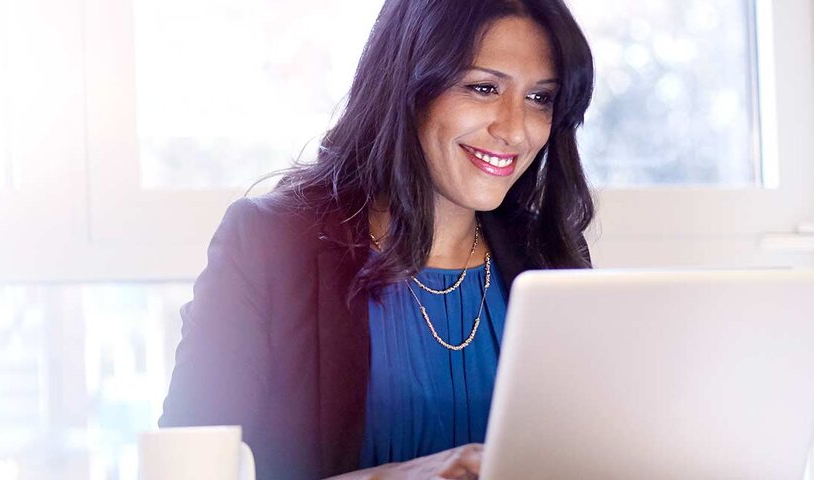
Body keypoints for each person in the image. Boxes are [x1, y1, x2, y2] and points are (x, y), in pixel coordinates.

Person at [158, 0, 596, 478]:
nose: (514, 130)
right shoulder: (269, 244)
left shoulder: (547, 254)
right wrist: (392, 476)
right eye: (483, 88)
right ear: (406, 88)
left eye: (540, 98)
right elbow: (186, 470)